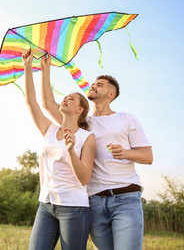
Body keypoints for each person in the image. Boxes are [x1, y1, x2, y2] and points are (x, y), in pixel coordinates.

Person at [40, 53, 153, 250]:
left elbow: (148, 156)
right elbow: (49, 105)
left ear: (111, 94)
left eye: (99, 84)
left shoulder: (126, 119)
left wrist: (126, 153)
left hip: (125, 198)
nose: (93, 86)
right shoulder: (82, 123)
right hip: (93, 202)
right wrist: (46, 69)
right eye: (93, 83)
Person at [22, 50, 97, 250]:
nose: (65, 99)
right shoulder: (49, 129)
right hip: (46, 204)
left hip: (74, 208)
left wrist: (71, 151)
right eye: (65, 97)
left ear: (80, 110)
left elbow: (84, 179)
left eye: (71, 99)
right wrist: (29, 67)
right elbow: (32, 102)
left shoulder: (86, 138)